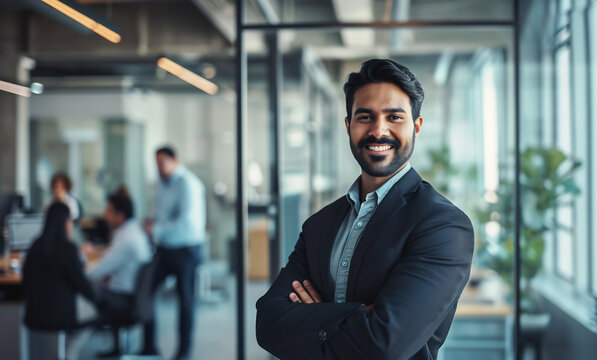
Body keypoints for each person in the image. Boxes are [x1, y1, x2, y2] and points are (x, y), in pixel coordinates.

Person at [255, 59, 474, 360]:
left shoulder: (442, 225)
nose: (378, 130)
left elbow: (384, 344)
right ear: (349, 125)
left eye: (394, 117)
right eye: (365, 117)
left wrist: (315, 318)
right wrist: (357, 315)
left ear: (417, 127)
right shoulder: (319, 225)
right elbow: (267, 323)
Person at [141, 146, 206, 360]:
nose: (158, 167)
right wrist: (152, 223)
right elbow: (160, 212)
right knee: (146, 290)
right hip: (166, 248)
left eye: (162, 162)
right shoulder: (161, 183)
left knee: (185, 302)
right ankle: (149, 347)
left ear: (174, 160)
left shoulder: (188, 184)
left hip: (187, 249)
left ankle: (183, 352)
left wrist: (157, 229)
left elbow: (187, 222)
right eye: (156, 163)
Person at [23, 202, 96, 359]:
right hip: (60, 316)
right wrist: (98, 298)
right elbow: (81, 284)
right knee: (94, 310)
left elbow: (25, 280)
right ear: (65, 221)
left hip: (34, 314)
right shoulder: (67, 248)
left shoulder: (34, 246)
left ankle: (62, 352)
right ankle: (70, 353)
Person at [86, 187, 153, 358]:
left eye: (109, 211)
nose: (105, 215)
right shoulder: (133, 231)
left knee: (85, 287)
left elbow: (97, 271)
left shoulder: (126, 238)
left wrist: (76, 269)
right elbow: (111, 261)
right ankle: (117, 348)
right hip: (136, 297)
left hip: (126, 301)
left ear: (120, 215)